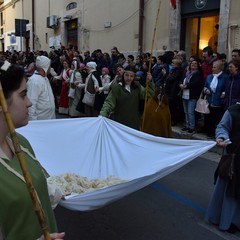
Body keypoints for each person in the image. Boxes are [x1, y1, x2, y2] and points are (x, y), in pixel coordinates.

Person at [0, 61, 64, 239]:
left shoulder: (21, 143)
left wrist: (79, 189)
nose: (29, 103)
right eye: (23, 95)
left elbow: (41, 189)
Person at [205, 103, 240, 233]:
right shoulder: (233, 111)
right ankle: (225, 220)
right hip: (233, 158)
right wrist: (221, 137)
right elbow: (222, 127)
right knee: (227, 191)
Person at [100, 65, 154, 130]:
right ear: (123, 75)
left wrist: (150, 82)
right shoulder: (117, 87)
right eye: (127, 75)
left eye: (131, 76)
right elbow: (109, 103)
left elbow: (148, 94)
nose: (129, 78)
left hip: (134, 122)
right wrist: (103, 114)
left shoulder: (137, 87)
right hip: (120, 122)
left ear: (134, 77)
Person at [203, 60, 228, 138]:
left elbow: (226, 88)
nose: (212, 69)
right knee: (209, 118)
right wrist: (205, 90)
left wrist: (224, 93)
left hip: (219, 102)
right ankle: (210, 133)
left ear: (220, 69)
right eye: (213, 67)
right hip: (209, 101)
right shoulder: (209, 77)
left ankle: (217, 134)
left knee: (218, 119)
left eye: (214, 67)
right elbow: (205, 86)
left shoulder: (225, 77)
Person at [27, 55, 56, 120]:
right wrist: (34, 123)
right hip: (41, 120)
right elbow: (31, 105)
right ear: (44, 67)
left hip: (49, 118)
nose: (50, 68)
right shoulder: (34, 81)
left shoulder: (45, 78)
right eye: (49, 66)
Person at [179, 59, 202, 133]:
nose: (193, 65)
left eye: (195, 63)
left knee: (190, 112)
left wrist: (186, 86)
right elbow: (181, 80)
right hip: (184, 94)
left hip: (192, 95)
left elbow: (196, 83)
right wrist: (180, 84)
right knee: (186, 111)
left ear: (198, 66)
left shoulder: (197, 74)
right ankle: (187, 125)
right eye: (192, 63)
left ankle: (192, 127)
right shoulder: (187, 73)